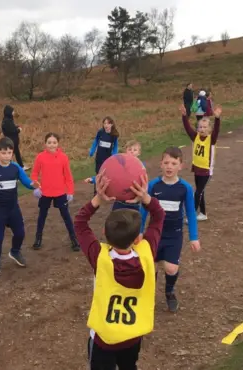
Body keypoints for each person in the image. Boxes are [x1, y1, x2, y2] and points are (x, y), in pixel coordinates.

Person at [74, 170, 164, 370]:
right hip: (133, 336)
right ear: (137, 239)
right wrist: (145, 197)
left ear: (104, 234)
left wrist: (98, 199)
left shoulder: (101, 257)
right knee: (129, 366)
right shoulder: (146, 252)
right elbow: (159, 216)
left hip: (104, 340)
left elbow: (80, 223)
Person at [139, 147, 201, 313]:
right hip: (154, 234)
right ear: (161, 164)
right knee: (151, 267)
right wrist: (139, 230)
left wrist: (194, 237)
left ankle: (169, 292)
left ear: (180, 166)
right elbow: (144, 209)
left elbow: (191, 213)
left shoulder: (185, 188)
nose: (169, 166)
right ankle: (148, 295)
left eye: (174, 163)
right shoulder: (153, 185)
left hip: (174, 234)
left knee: (171, 268)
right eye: (166, 162)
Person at [0, 137, 40, 279]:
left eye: (9, 152)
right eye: (4, 153)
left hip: (13, 208)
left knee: (20, 233)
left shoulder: (16, 167)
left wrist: (33, 185)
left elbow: (26, 182)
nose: (7, 155)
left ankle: (15, 251)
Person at [30, 133, 79, 252]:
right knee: (42, 216)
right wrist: (36, 187)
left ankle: (74, 239)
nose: (52, 145)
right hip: (45, 193)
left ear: (58, 143)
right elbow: (34, 173)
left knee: (66, 216)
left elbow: (68, 176)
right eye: (49, 142)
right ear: (45, 144)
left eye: (54, 142)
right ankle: (38, 239)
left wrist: (70, 192)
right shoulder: (40, 157)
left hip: (60, 193)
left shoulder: (63, 157)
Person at [181, 104, 222, 221]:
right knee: (200, 192)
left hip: (206, 170)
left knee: (198, 192)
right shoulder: (196, 137)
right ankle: (203, 213)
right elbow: (187, 128)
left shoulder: (211, 139)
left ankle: (192, 214)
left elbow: (217, 130)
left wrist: (217, 118)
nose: (202, 129)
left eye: (205, 127)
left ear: (209, 129)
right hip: (197, 168)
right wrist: (184, 116)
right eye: (200, 127)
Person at [85, 140, 147, 212]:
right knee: (115, 219)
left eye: (135, 150)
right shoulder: (119, 164)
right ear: (125, 151)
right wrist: (93, 179)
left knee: (134, 220)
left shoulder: (141, 167)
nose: (132, 151)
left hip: (134, 201)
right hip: (119, 200)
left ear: (139, 153)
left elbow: (144, 182)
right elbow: (108, 175)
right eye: (129, 149)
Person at [1, 105, 28, 171]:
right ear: (9, 112)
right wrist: (19, 130)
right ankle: (6, 167)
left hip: (13, 141)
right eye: (12, 111)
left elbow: (11, 128)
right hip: (11, 141)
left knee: (16, 153)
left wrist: (16, 127)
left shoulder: (9, 119)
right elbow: (11, 131)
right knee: (9, 154)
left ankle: (21, 166)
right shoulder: (7, 121)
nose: (14, 112)